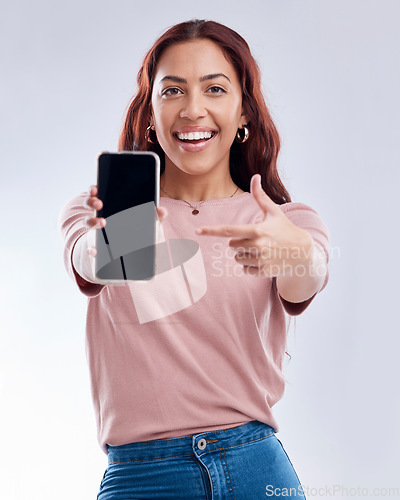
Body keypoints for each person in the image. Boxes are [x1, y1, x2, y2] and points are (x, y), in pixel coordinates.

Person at [59, 19, 330, 499]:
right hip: (143, 475)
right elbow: (88, 260)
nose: (193, 109)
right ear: (150, 111)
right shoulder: (100, 209)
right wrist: (115, 238)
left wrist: (297, 256)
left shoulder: (284, 219)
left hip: (254, 466)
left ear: (243, 111)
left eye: (215, 89)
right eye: (173, 91)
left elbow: (306, 277)